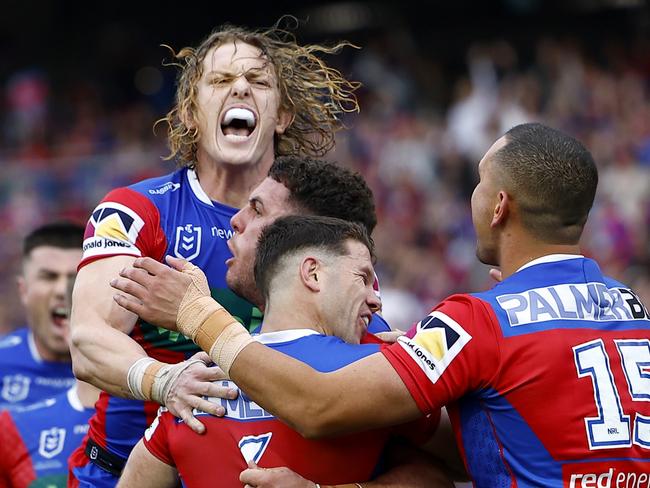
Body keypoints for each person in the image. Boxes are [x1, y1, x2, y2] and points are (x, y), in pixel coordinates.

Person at [137, 123, 650, 485]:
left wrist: (199, 317)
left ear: (499, 207)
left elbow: (319, 407)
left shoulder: (477, 321)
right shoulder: (631, 307)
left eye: (477, 184)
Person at [67, 19, 361, 487]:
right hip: (122, 470)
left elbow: (357, 340)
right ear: (189, 112)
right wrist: (164, 381)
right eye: (221, 81)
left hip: (255, 476)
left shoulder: (320, 221)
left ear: (281, 115)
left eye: (257, 81)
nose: (240, 89)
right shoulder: (138, 211)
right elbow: (87, 341)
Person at [116, 216, 451, 488]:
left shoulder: (190, 388)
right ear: (313, 273)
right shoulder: (375, 365)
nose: (376, 298)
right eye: (362, 278)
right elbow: (458, 467)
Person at [0, 222, 83, 410]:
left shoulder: (126, 370)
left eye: (75, 278)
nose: (63, 290)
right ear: (23, 290)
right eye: (49, 277)